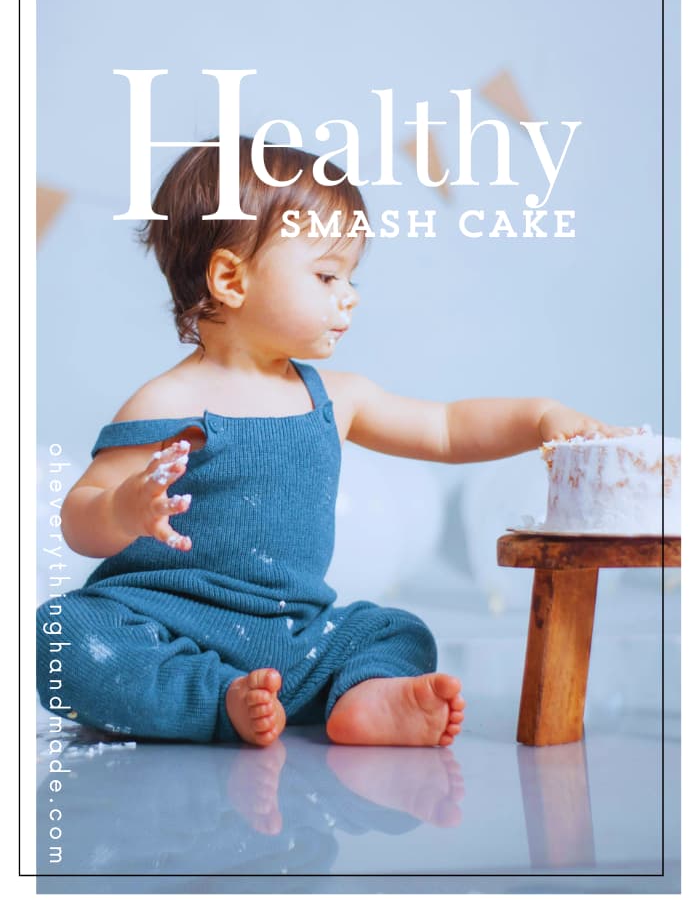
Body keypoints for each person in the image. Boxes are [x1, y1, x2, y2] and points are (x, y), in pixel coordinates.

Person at [37, 138, 622, 749]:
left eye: (350, 276)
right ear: (231, 278)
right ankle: (214, 699)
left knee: (398, 632)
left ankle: (362, 698)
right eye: (326, 274)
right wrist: (121, 509)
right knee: (59, 636)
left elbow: (446, 427)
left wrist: (539, 417)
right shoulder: (166, 403)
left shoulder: (334, 398)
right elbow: (80, 519)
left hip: (294, 637)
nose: (350, 295)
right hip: (166, 627)